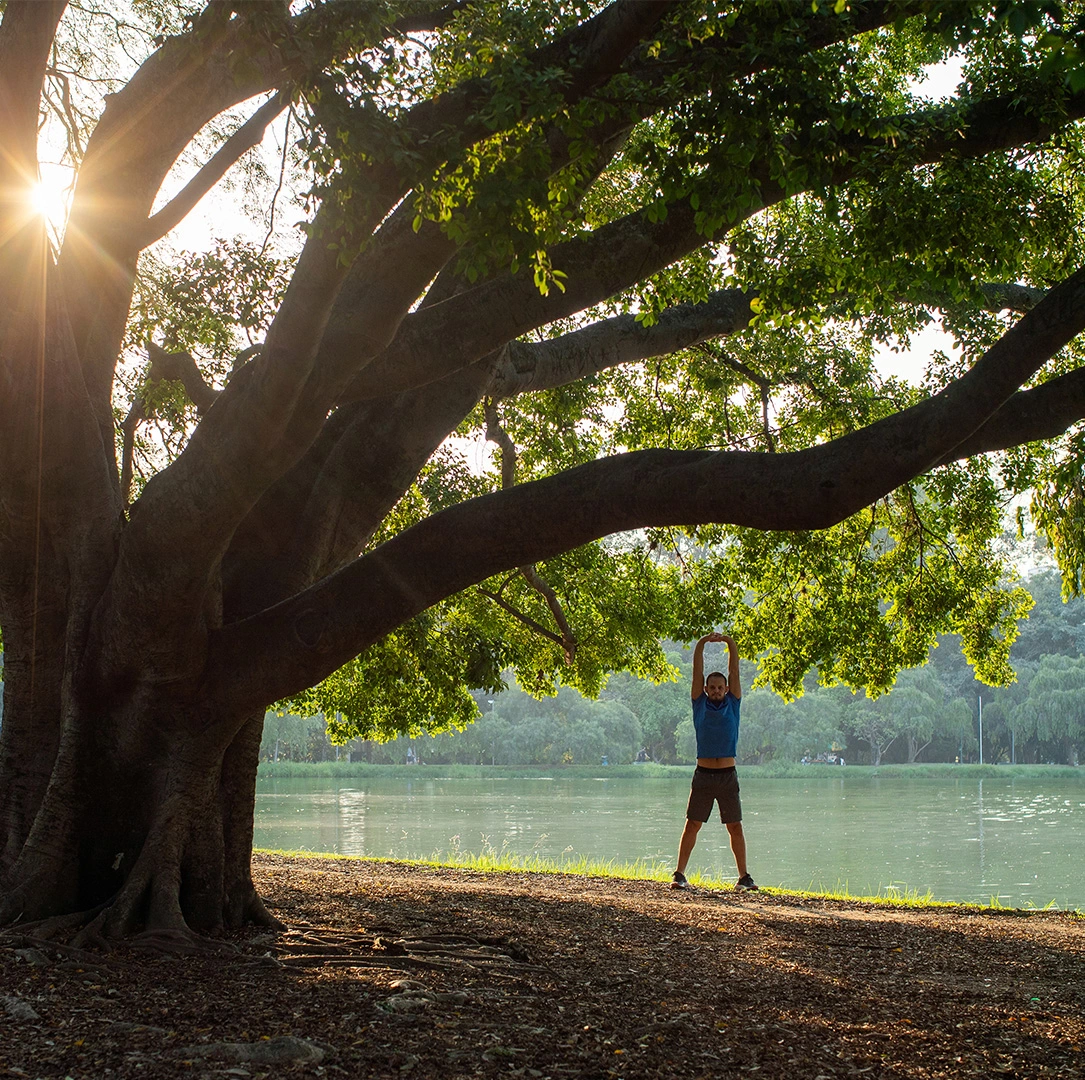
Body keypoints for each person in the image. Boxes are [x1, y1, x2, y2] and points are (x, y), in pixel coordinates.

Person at [671, 631, 758, 892]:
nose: (717, 691)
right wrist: (701, 644)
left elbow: (735, 669)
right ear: (707, 690)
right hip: (704, 775)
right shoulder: (699, 703)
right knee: (693, 824)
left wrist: (730, 642)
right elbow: (696, 672)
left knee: (735, 826)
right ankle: (679, 874)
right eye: (713, 687)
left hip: (728, 775)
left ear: (727, 689)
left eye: (721, 687)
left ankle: (743, 877)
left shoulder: (733, 703)